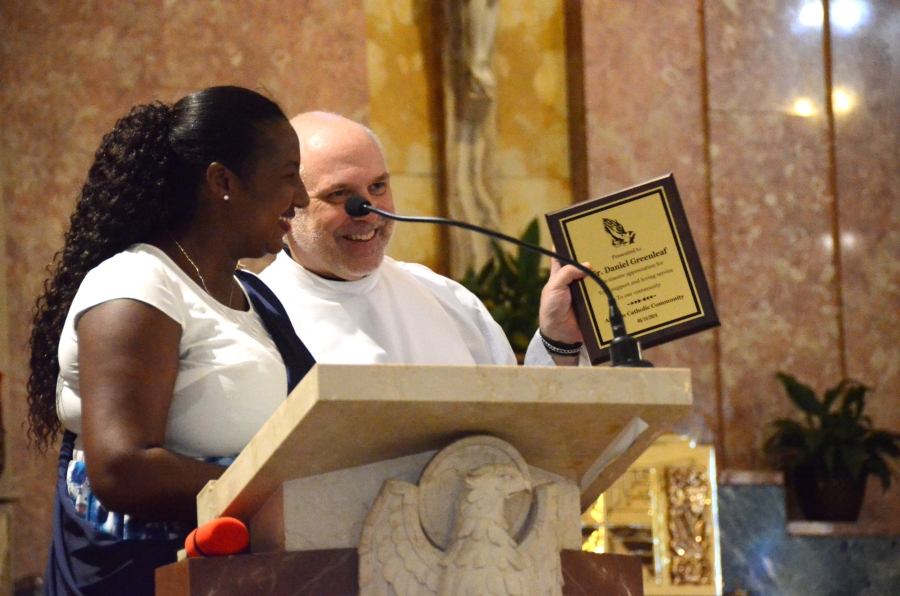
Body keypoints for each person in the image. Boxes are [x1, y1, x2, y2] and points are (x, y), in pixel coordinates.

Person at [26, 86, 315, 596]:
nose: (301, 198)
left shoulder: (254, 296)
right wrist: (272, 491)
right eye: (288, 176)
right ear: (222, 181)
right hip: (142, 577)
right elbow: (122, 468)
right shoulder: (137, 285)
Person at [259, 111, 588, 367]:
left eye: (378, 187)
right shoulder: (255, 318)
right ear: (285, 207)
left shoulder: (445, 300)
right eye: (340, 194)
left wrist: (558, 340)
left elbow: (518, 423)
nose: (369, 212)